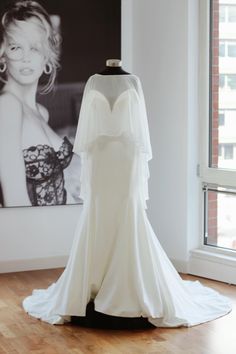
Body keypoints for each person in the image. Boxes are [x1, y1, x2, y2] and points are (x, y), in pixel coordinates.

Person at [0, 0, 74, 207]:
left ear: (47, 57)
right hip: (34, 235)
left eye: (34, 48)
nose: (25, 58)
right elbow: (14, 202)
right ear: (3, 56)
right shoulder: (6, 107)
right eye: (16, 47)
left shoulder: (41, 112)